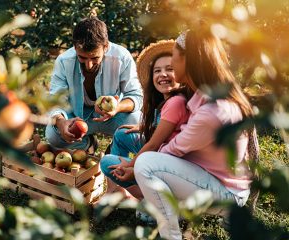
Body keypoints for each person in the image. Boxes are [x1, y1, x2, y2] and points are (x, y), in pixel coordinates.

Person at [111, 28, 255, 239]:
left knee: (147, 164)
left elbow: (170, 151)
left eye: (175, 59)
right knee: (147, 161)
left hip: (226, 194)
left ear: (188, 62)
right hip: (212, 177)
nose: (172, 65)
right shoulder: (205, 96)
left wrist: (133, 168)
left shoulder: (212, 111)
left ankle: (171, 235)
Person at [100, 40, 191, 200]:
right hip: (162, 154)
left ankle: (146, 197)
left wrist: (130, 165)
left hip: (166, 162)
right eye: (157, 71)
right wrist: (143, 127)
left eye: (170, 69)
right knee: (122, 134)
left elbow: (154, 144)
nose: (162, 74)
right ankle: (117, 191)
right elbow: (167, 127)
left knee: (107, 162)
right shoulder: (167, 100)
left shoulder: (175, 102)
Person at [45, 16, 143, 151]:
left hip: (113, 117)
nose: (89, 65)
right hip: (77, 117)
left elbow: (136, 95)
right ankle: (88, 144)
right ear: (74, 48)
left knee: (138, 123)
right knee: (53, 135)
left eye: (95, 58)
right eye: (82, 58)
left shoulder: (121, 57)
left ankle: (115, 147)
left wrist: (117, 107)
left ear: (106, 47)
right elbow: (55, 99)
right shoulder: (64, 61)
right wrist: (61, 122)